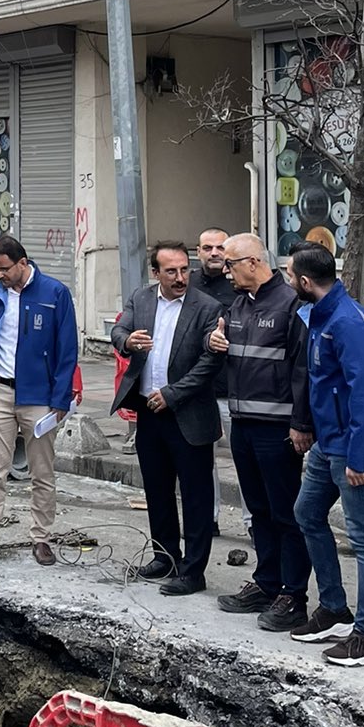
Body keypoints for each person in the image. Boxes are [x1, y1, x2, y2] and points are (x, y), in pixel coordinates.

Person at [287, 245, 364, 669]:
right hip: (328, 444)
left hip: (353, 449)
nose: (288, 280)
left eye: (290, 274)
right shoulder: (322, 315)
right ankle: (334, 609)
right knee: (307, 513)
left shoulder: (348, 322)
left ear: (306, 282)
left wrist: (358, 456)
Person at [208, 234, 313, 631]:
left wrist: (302, 424)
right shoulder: (238, 305)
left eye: (231, 264)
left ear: (253, 263)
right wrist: (213, 340)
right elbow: (230, 353)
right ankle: (267, 583)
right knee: (259, 511)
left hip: (278, 430)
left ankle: (293, 594)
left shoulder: (291, 305)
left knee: (287, 514)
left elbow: (303, 370)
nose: (225, 270)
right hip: (244, 425)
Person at [110, 241, 224, 595]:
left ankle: (193, 571)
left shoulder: (207, 307)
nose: (180, 277)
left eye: (184, 270)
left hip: (187, 413)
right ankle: (165, 556)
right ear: (155, 273)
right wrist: (128, 342)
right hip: (148, 411)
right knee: (157, 490)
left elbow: (211, 360)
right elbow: (117, 332)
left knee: (196, 495)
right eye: (171, 271)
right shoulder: (141, 298)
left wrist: (173, 394)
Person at [0, 237, 78, 567]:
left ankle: (41, 537)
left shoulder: (54, 293)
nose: (0, 274)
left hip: (40, 397)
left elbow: (67, 349)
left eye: (4, 268)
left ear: (23, 263)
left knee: (41, 472)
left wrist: (60, 398)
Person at [193, 228, 237, 311]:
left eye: (221, 248)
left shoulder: (241, 284)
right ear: (198, 252)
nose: (214, 253)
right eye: (207, 248)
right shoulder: (187, 283)